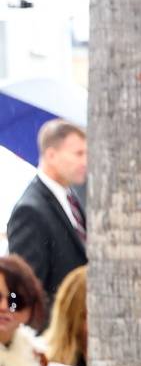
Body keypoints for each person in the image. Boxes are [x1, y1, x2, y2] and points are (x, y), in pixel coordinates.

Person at [6, 121, 88, 304]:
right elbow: (27, 293)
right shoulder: (29, 210)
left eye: (86, 154)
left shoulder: (70, 196)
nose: (85, 161)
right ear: (51, 155)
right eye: (78, 154)